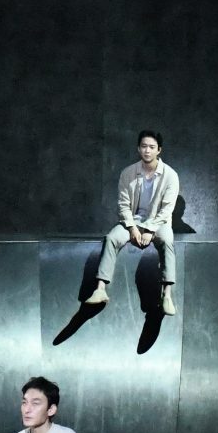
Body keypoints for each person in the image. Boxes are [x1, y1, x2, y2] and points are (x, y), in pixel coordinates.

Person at [87, 130, 179, 315]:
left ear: (159, 150)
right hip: (133, 221)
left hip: (158, 222)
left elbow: (167, 210)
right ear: (138, 148)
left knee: (168, 240)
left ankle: (167, 295)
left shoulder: (170, 175)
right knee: (111, 238)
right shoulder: (128, 173)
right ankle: (100, 289)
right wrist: (132, 228)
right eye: (144, 146)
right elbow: (123, 205)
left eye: (152, 147)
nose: (147, 151)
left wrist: (150, 230)